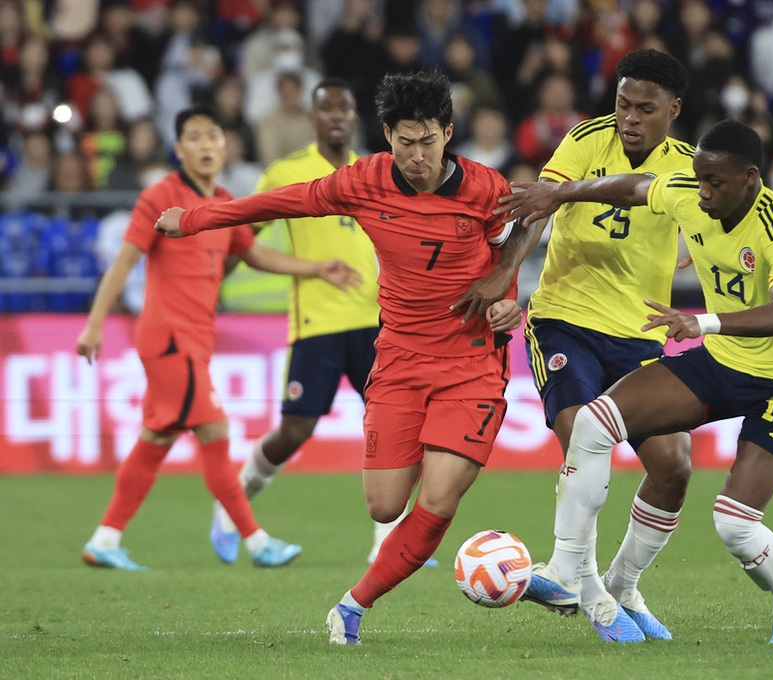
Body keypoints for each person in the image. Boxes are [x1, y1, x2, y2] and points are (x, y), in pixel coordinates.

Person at [154, 71, 536, 645]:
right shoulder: (364, 181)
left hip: (470, 359)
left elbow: (521, 230)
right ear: (386, 136)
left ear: (448, 133)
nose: (416, 156)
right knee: (385, 507)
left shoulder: (484, 187)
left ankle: (353, 605)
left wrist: (509, 300)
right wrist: (196, 218)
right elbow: (286, 200)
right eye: (404, 142)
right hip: (400, 358)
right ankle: (521, 574)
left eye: (427, 141)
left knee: (436, 497)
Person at [496, 119, 773, 644]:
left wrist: (705, 322)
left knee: (736, 525)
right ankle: (569, 571)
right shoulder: (690, 192)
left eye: (715, 183)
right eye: (698, 179)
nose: (702, 194)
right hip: (724, 359)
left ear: (750, 178)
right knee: (592, 425)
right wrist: (558, 193)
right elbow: (631, 189)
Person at [77, 104, 362, 571]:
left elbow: (253, 256)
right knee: (215, 430)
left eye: (214, 136)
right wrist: (94, 324)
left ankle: (105, 538)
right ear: (178, 148)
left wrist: (317, 268)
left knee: (156, 438)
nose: (207, 145)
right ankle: (256, 540)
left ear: (226, 146)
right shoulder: (159, 198)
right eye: (195, 137)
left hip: (194, 338)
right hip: (170, 337)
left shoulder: (226, 201)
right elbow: (126, 261)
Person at [208, 77, 436, 571]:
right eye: (325, 109)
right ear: (311, 120)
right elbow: (243, 242)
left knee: (398, 427)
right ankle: (232, 506)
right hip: (316, 322)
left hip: (378, 323)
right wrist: (305, 270)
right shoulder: (287, 173)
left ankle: (386, 544)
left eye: (343, 108)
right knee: (295, 430)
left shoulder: (379, 170)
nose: (335, 116)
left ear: (356, 118)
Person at [515, 49, 695, 644]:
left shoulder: (692, 168)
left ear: (673, 110)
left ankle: (622, 583)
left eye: (646, 108)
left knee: (673, 467)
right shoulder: (585, 138)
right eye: (623, 103)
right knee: (580, 436)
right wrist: (505, 276)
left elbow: (711, 231)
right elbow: (537, 209)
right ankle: (587, 592)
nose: (630, 118)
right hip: (566, 319)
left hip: (639, 337)